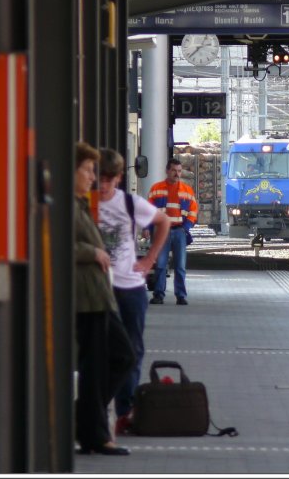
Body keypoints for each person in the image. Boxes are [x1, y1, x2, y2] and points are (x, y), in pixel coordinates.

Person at [97, 148, 170, 435]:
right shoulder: (85, 204)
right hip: (100, 288)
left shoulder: (128, 203)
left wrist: (150, 258)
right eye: (98, 179)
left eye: (108, 179)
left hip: (131, 288)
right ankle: (100, 407)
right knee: (103, 351)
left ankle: (125, 411)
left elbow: (163, 221)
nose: (103, 185)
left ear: (116, 178)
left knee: (133, 350)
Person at [73, 141, 135, 456]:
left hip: (99, 297)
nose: (91, 177)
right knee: (100, 365)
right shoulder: (68, 207)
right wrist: (92, 251)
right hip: (86, 299)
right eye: (86, 170)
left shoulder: (81, 204)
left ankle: (85, 419)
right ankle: (93, 433)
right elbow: (56, 244)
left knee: (121, 357)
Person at [144, 158, 198, 306]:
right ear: (167, 171)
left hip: (179, 230)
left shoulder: (187, 190)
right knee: (161, 264)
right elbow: (149, 210)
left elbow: (193, 210)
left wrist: (186, 227)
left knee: (180, 266)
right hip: (162, 231)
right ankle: (159, 295)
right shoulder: (156, 188)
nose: (177, 174)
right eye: (174, 170)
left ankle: (180, 296)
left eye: (179, 171)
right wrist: (148, 228)